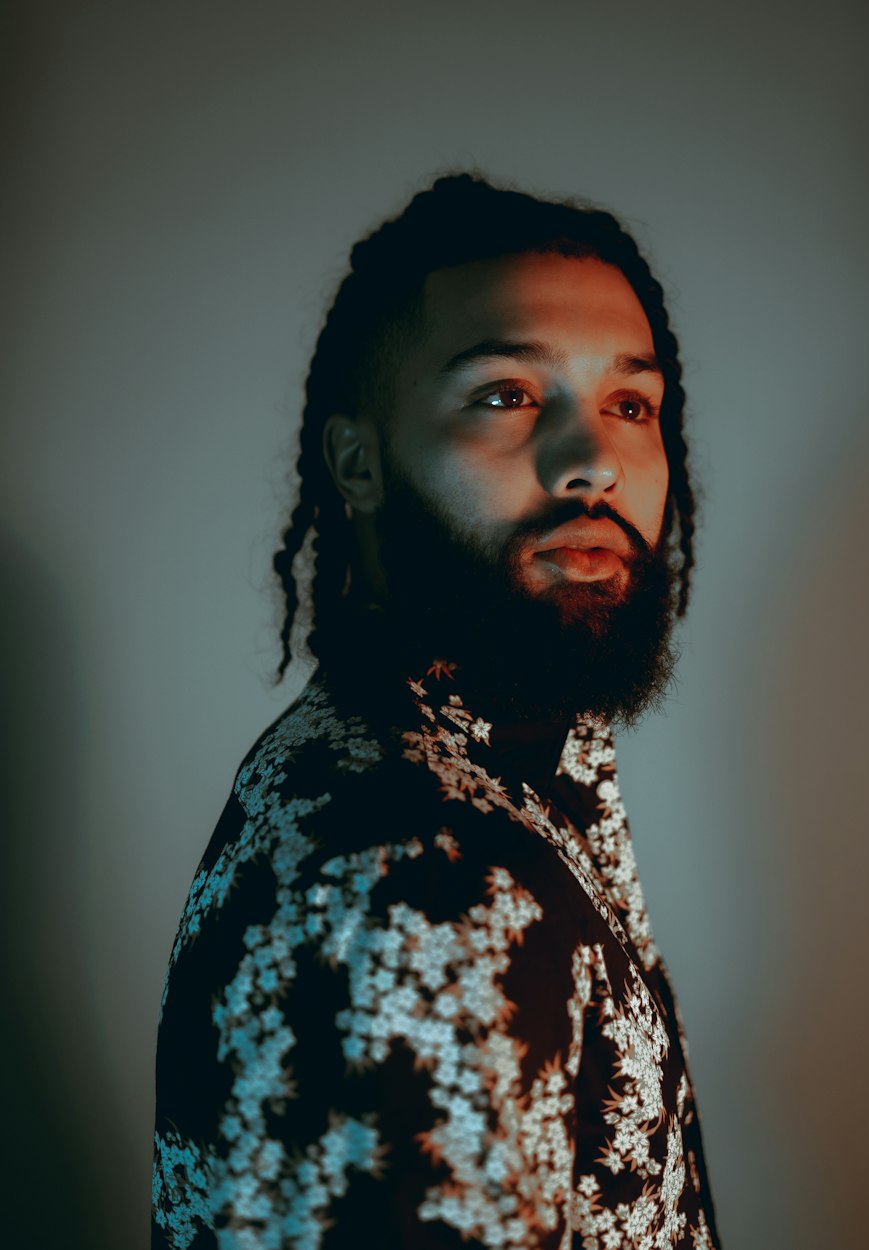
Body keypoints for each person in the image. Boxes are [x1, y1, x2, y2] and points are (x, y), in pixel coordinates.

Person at [152, 173, 721, 1249]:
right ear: (357, 464)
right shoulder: (415, 885)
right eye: (507, 393)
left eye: (629, 403)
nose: (592, 458)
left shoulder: (492, 756)